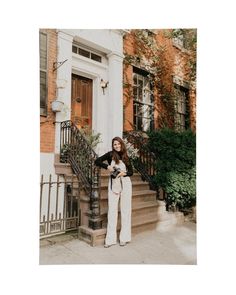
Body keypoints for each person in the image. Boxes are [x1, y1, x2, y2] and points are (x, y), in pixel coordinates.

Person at [95, 137, 133, 247]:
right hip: (113, 186)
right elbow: (97, 161)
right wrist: (108, 167)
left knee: (126, 211)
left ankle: (124, 238)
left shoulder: (126, 156)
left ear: (122, 144)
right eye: (115, 144)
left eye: (118, 144)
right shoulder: (110, 154)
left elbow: (131, 172)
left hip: (125, 184)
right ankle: (110, 240)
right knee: (112, 211)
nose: (117, 146)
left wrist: (123, 174)